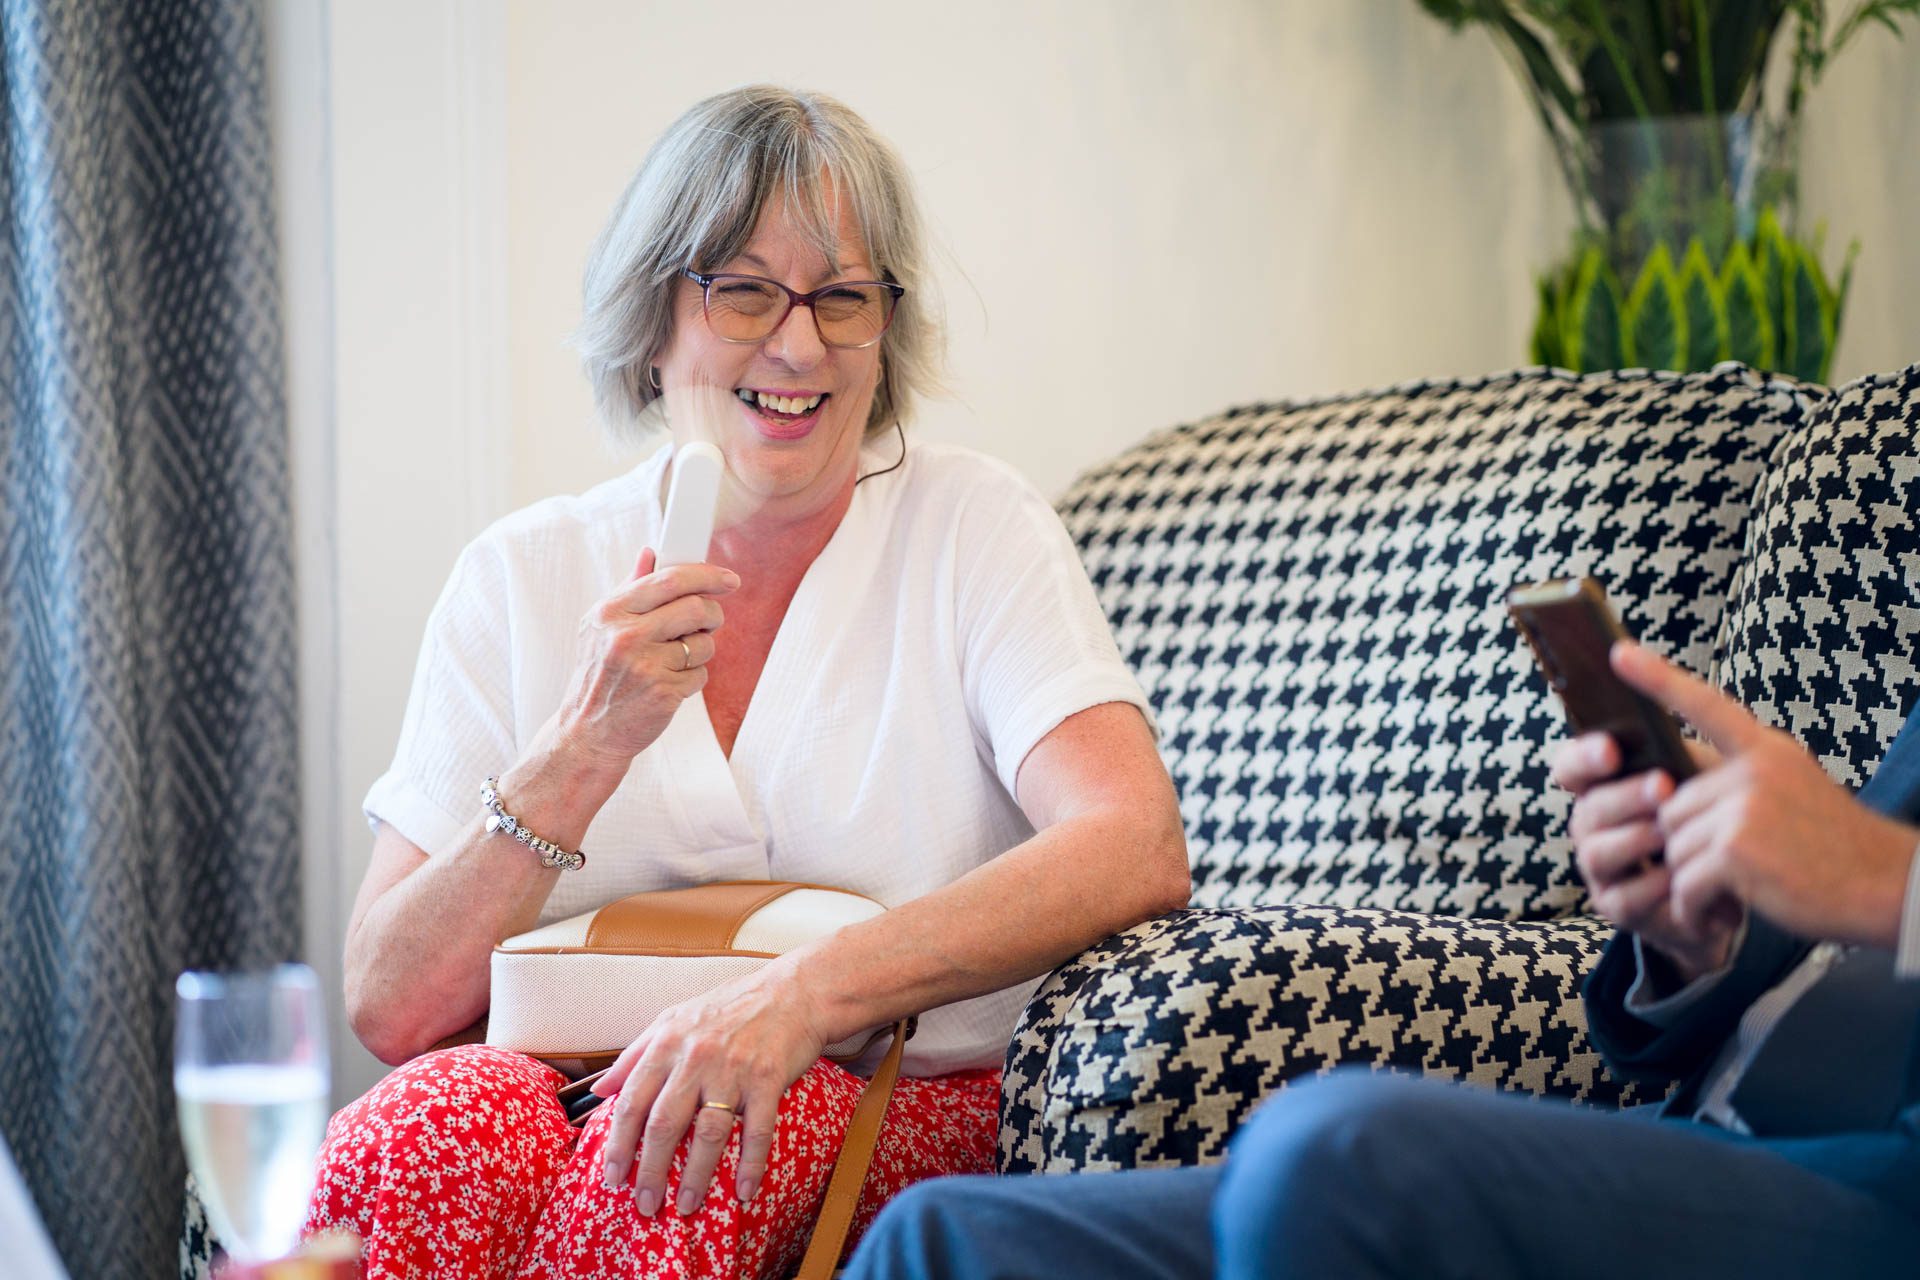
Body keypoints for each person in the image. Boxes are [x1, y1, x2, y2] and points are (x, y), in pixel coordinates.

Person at [301, 85, 1190, 1280]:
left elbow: (1131, 841)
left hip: (887, 1089)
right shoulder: (523, 571)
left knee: (696, 1135)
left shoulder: (972, 525)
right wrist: (581, 751)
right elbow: (393, 1007)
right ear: (654, 318)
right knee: (420, 1132)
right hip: (577, 1081)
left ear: (887, 326)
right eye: (744, 290)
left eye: (842, 295)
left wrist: (799, 998)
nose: (800, 343)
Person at [845, 642, 1920, 1279]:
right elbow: (1834, 952)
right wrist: (1699, 931)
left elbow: (1871, 881)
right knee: (949, 1234)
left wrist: (1887, 879)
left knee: (1335, 1150)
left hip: (1879, 1181)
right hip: (1711, 1126)